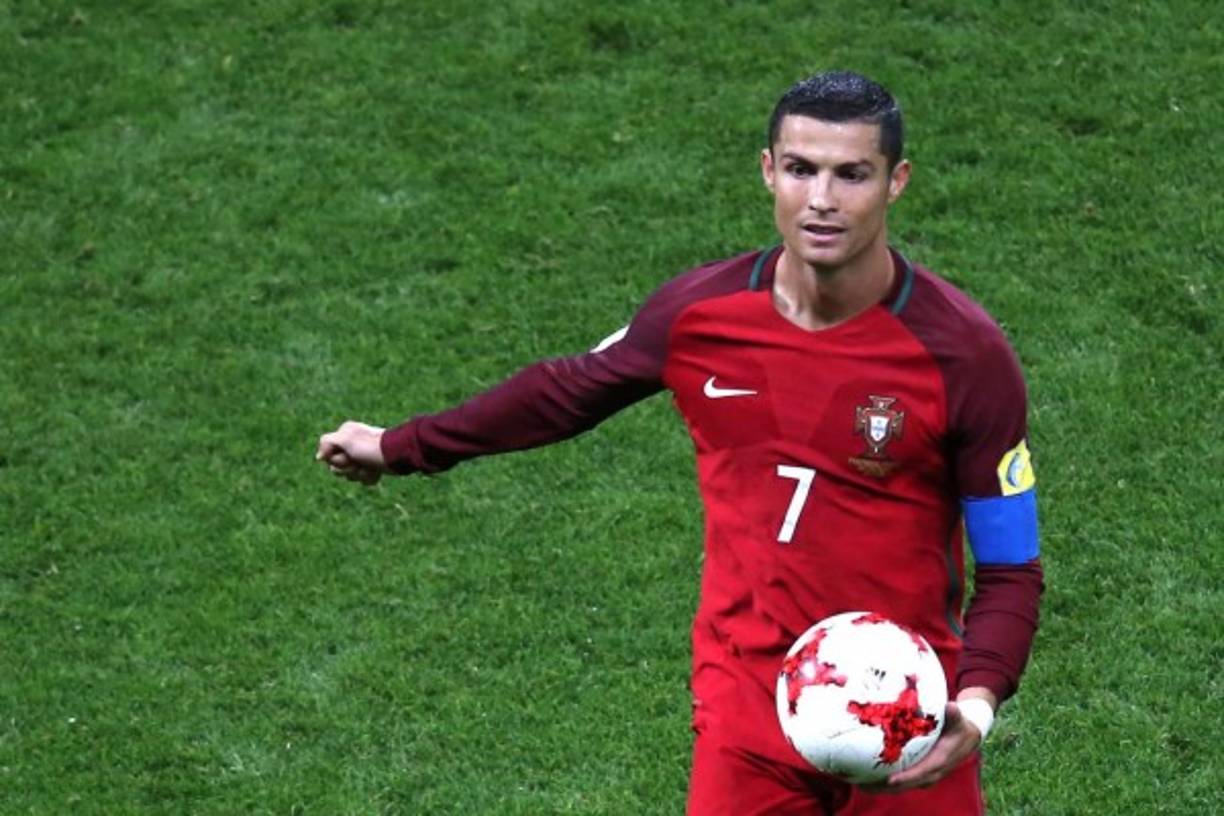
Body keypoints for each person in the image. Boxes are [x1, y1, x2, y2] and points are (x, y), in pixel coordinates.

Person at [316, 70, 1043, 815]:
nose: (821, 200)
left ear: (897, 182)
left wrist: (977, 704)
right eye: (800, 169)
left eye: (851, 174)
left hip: (910, 718)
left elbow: (1013, 567)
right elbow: (565, 391)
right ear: (768, 170)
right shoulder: (701, 315)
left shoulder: (963, 356)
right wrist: (401, 445)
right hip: (745, 708)